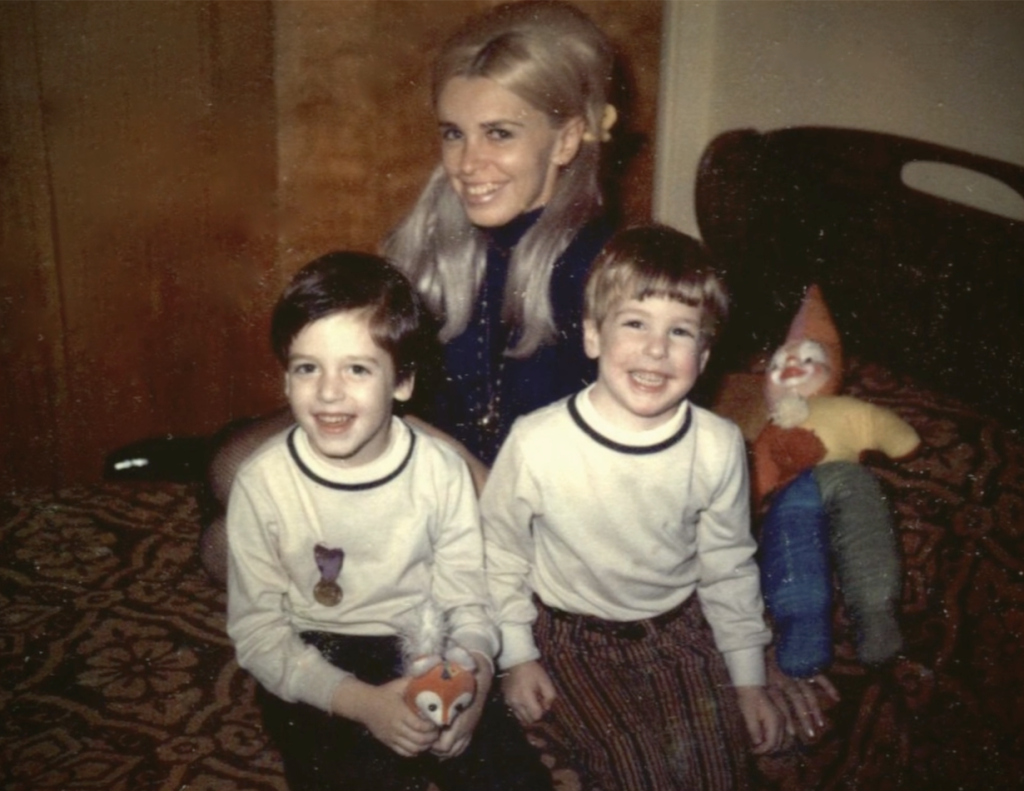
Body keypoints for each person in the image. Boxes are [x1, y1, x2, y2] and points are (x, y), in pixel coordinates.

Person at [199, 0, 619, 584]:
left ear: (567, 139)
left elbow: (579, 492)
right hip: (425, 454)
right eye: (453, 133)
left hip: (510, 517)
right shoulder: (442, 234)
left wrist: (414, 444)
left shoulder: (605, 271)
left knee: (228, 544)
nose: (468, 164)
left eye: (499, 134)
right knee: (231, 466)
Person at [226, 251, 554, 791]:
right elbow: (260, 633)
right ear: (286, 379)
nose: (328, 392)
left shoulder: (441, 470)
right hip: (319, 652)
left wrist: (472, 681)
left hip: (427, 642)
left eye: (357, 368)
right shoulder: (261, 483)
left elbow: (468, 600)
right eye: (308, 368)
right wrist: (363, 704)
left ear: (402, 382)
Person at [480, 225, 785, 790]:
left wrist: (749, 681)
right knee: (637, 770)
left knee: (718, 772)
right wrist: (517, 656)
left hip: (679, 628)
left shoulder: (719, 445)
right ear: (593, 335)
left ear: (704, 355)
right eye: (635, 323)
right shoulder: (537, 441)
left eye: (680, 331)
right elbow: (499, 552)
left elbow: (728, 564)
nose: (656, 349)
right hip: (572, 635)